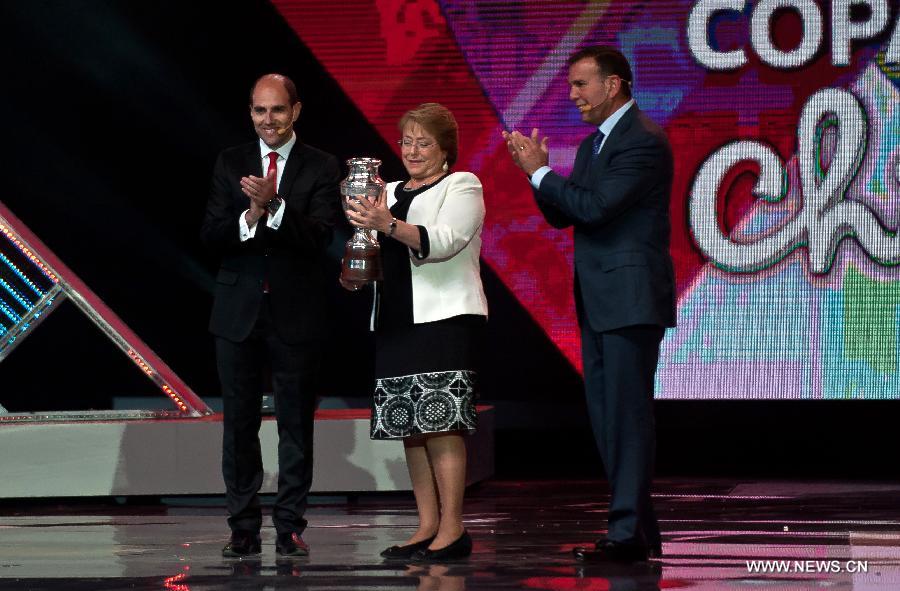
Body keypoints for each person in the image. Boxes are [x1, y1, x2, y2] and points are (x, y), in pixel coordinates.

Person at [502, 46, 676, 563]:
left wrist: (540, 174)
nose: (572, 95)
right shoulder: (593, 146)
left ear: (615, 85)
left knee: (625, 417)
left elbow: (596, 209)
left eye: (581, 84)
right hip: (601, 300)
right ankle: (640, 531)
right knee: (609, 419)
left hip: (629, 299)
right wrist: (536, 177)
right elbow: (565, 215)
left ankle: (625, 536)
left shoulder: (642, 141)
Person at [201, 73, 341, 559]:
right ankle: (241, 527)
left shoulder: (322, 166)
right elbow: (211, 235)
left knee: (295, 424)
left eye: (277, 110)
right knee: (238, 423)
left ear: (296, 111)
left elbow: (321, 235)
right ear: (251, 112)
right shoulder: (230, 162)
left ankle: (289, 528)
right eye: (260, 111)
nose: (268, 120)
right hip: (237, 312)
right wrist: (250, 216)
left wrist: (275, 205)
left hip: (296, 312)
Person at [342, 103, 487, 562]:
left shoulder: (462, 185)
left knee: (442, 423)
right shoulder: (385, 190)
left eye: (424, 143)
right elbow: (372, 246)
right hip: (395, 318)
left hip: (443, 319)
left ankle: (453, 529)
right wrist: (354, 268)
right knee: (412, 426)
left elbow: (444, 240)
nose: (413, 150)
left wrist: (388, 223)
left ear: (446, 149)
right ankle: (426, 525)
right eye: (407, 141)